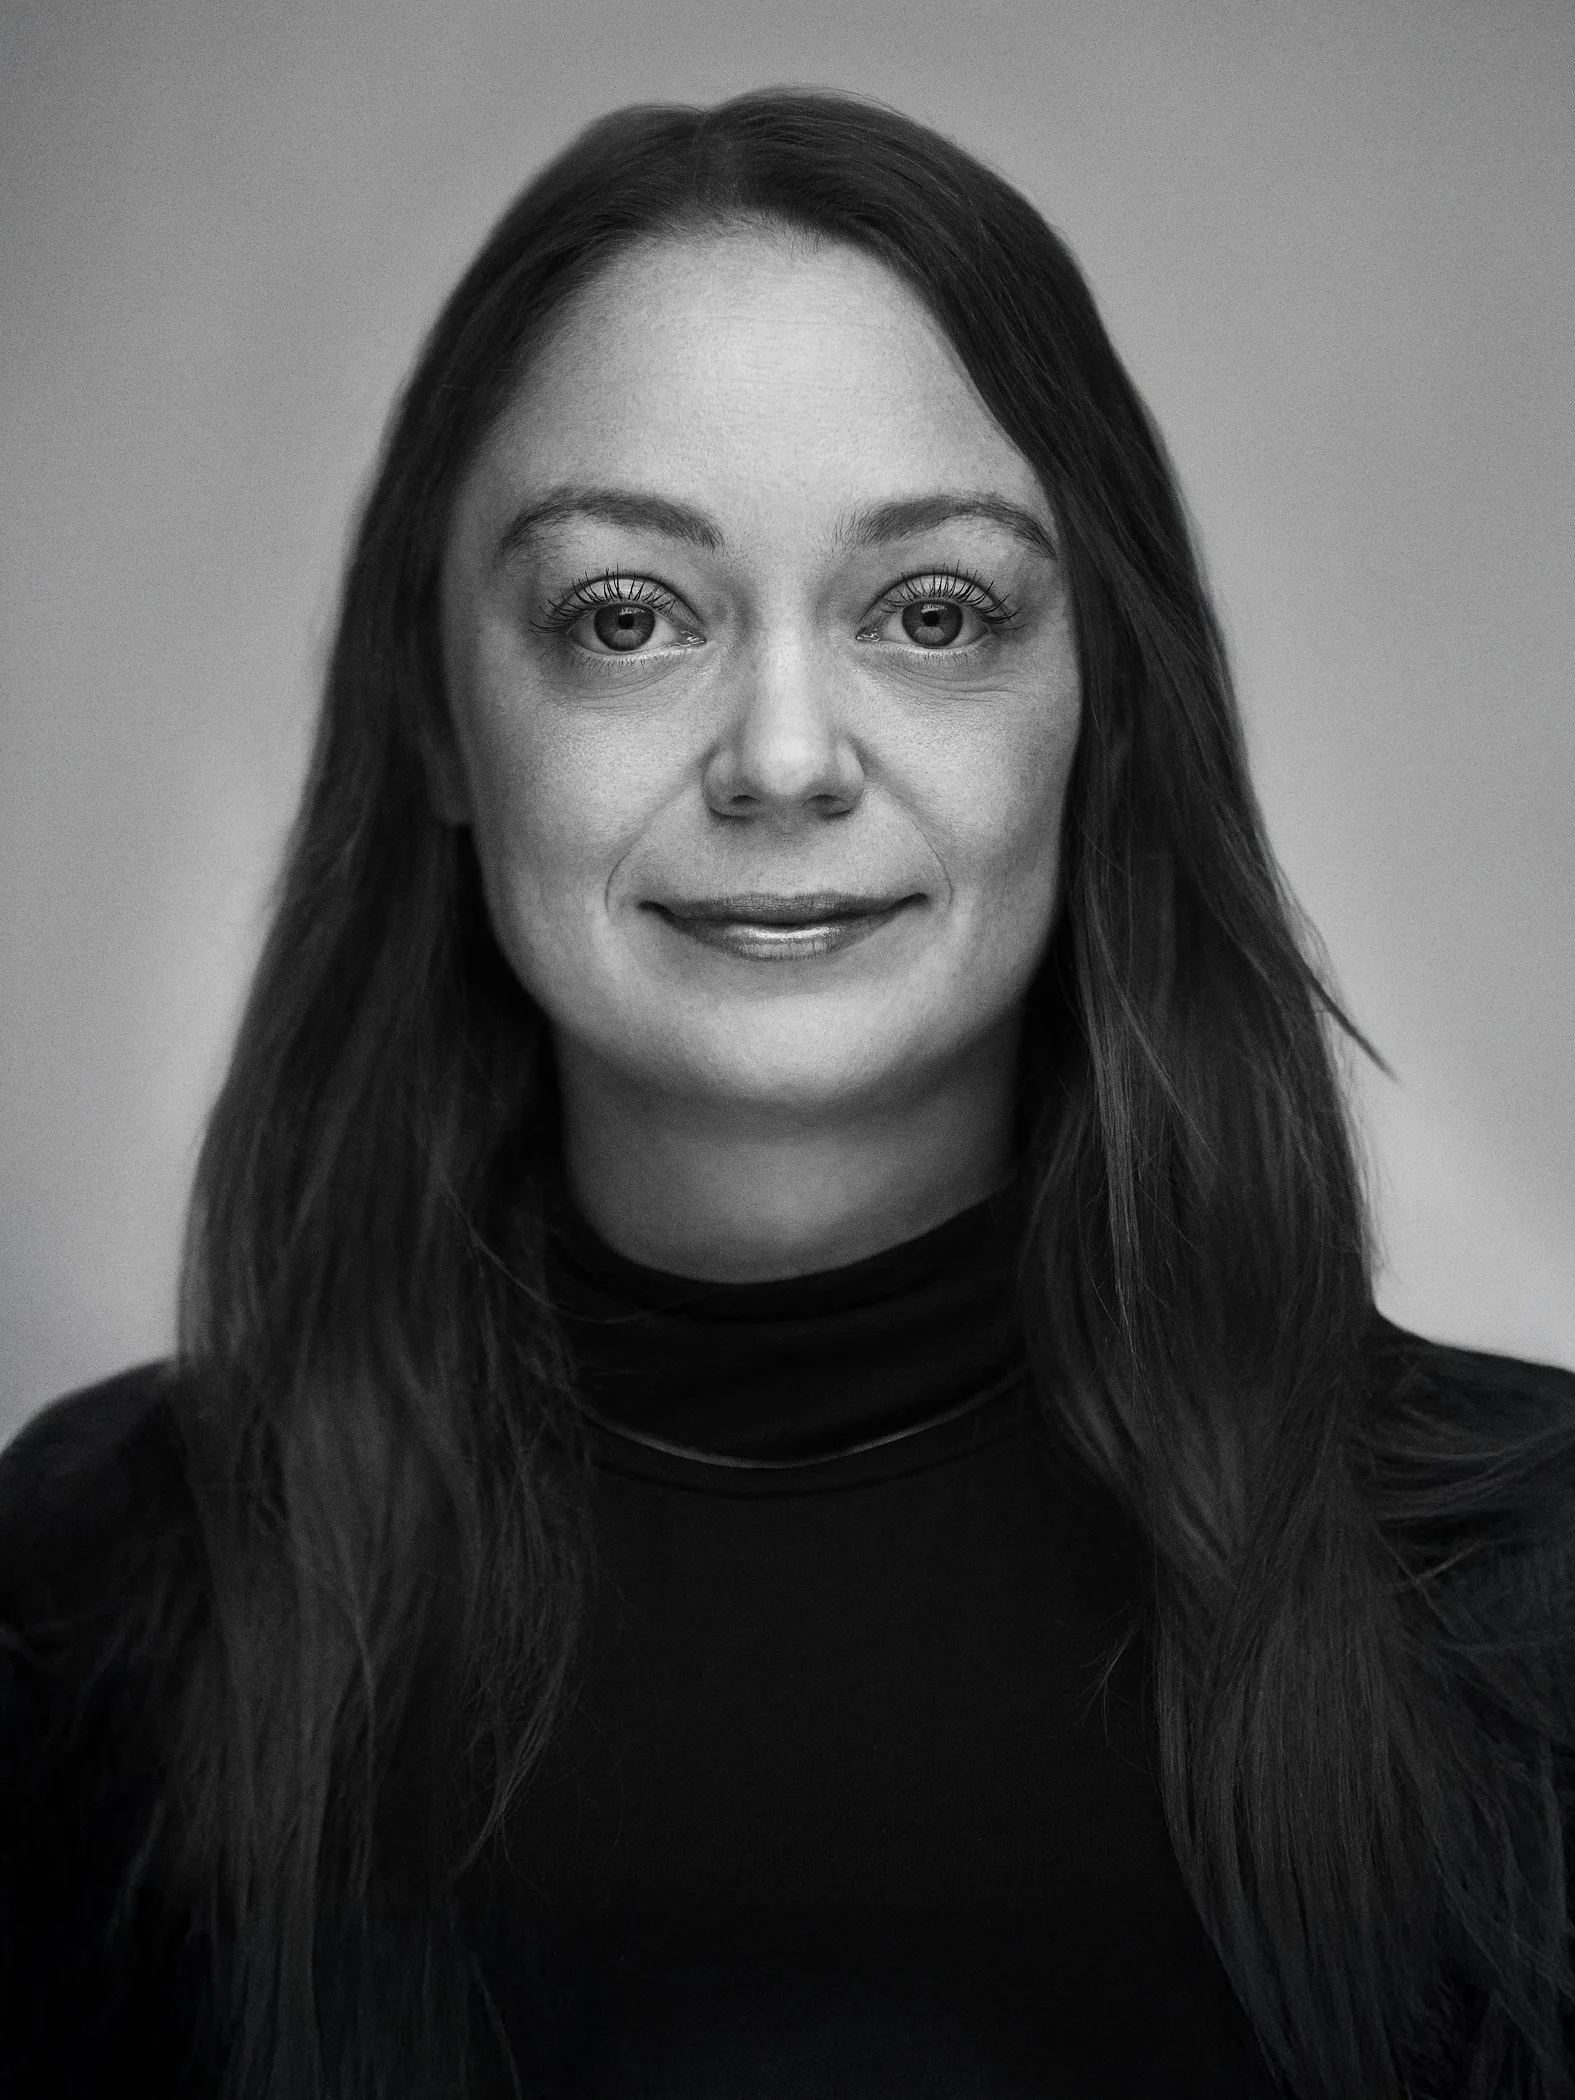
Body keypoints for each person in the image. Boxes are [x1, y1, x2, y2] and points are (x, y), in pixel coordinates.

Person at [1, 85, 1571, 2100]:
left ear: (1103, 708)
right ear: (441, 725)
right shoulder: (98, 1606)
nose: (782, 755)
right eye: (624, 618)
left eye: (932, 615)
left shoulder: (1524, 1601)